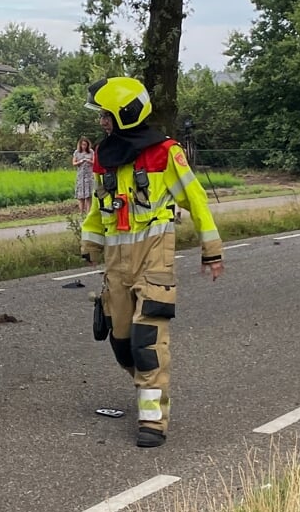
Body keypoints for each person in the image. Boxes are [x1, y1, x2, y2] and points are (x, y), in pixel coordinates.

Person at [79, 77, 225, 448]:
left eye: (106, 115)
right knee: (122, 342)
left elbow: (196, 199)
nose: (102, 122)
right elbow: (100, 204)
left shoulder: (166, 152)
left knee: (148, 340)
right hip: (116, 263)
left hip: (154, 255)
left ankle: (153, 419)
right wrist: (90, 240)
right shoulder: (103, 154)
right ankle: (148, 385)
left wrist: (211, 249)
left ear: (124, 115)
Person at [73, 136, 96, 217]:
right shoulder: (76, 152)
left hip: (89, 175)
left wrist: (88, 161)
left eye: (85, 144)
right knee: (80, 195)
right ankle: (81, 212)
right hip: (80, 175)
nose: (84, 146)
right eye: (82, 144)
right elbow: (74, 163)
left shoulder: (91, 152)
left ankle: (88, 212)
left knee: (88, 195)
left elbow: (94, 162)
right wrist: (80, 161)